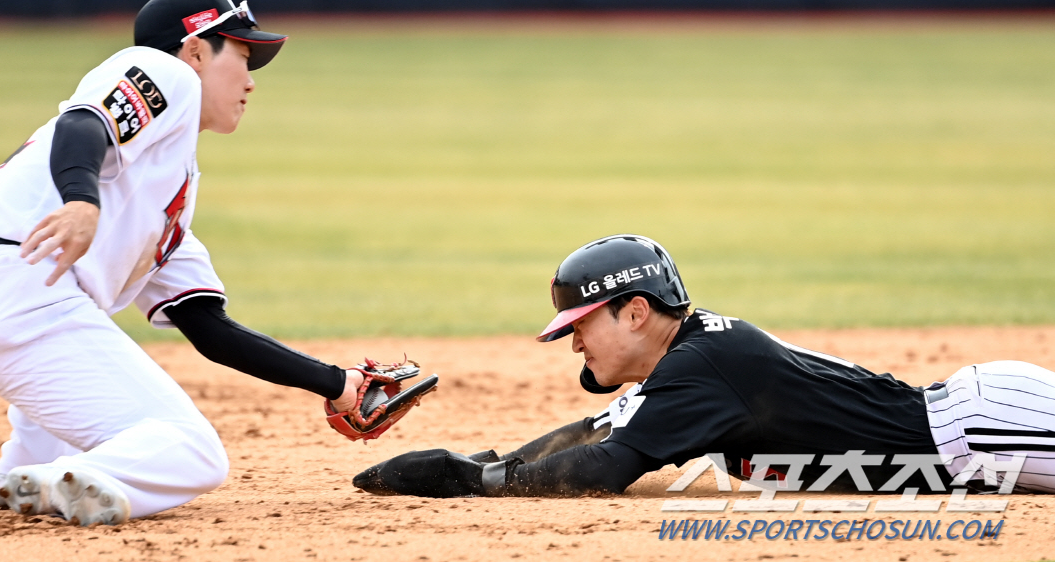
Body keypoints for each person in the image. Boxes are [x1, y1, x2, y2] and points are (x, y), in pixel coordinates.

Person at [0, 0, 421, 526]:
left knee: (83, 351)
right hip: (7, 295)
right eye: (242, 56)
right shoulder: (167, 72)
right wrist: (81, 200)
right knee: (195, 454)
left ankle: (29, 473)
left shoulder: (165, 201)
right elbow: (83, 124)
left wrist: (336, 383)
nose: (250, 80)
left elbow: (209, 328)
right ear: (195, 52)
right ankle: (67, 477)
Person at [354, 234, 1055, 498]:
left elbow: (604, 467)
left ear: (634, 312)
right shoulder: (689, 362)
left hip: (983, 430)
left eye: (581, 325)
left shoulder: (702, 365)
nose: (574, 345)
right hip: (976, 439)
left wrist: (471, 481)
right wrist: (488, 461)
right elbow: (594, 431)